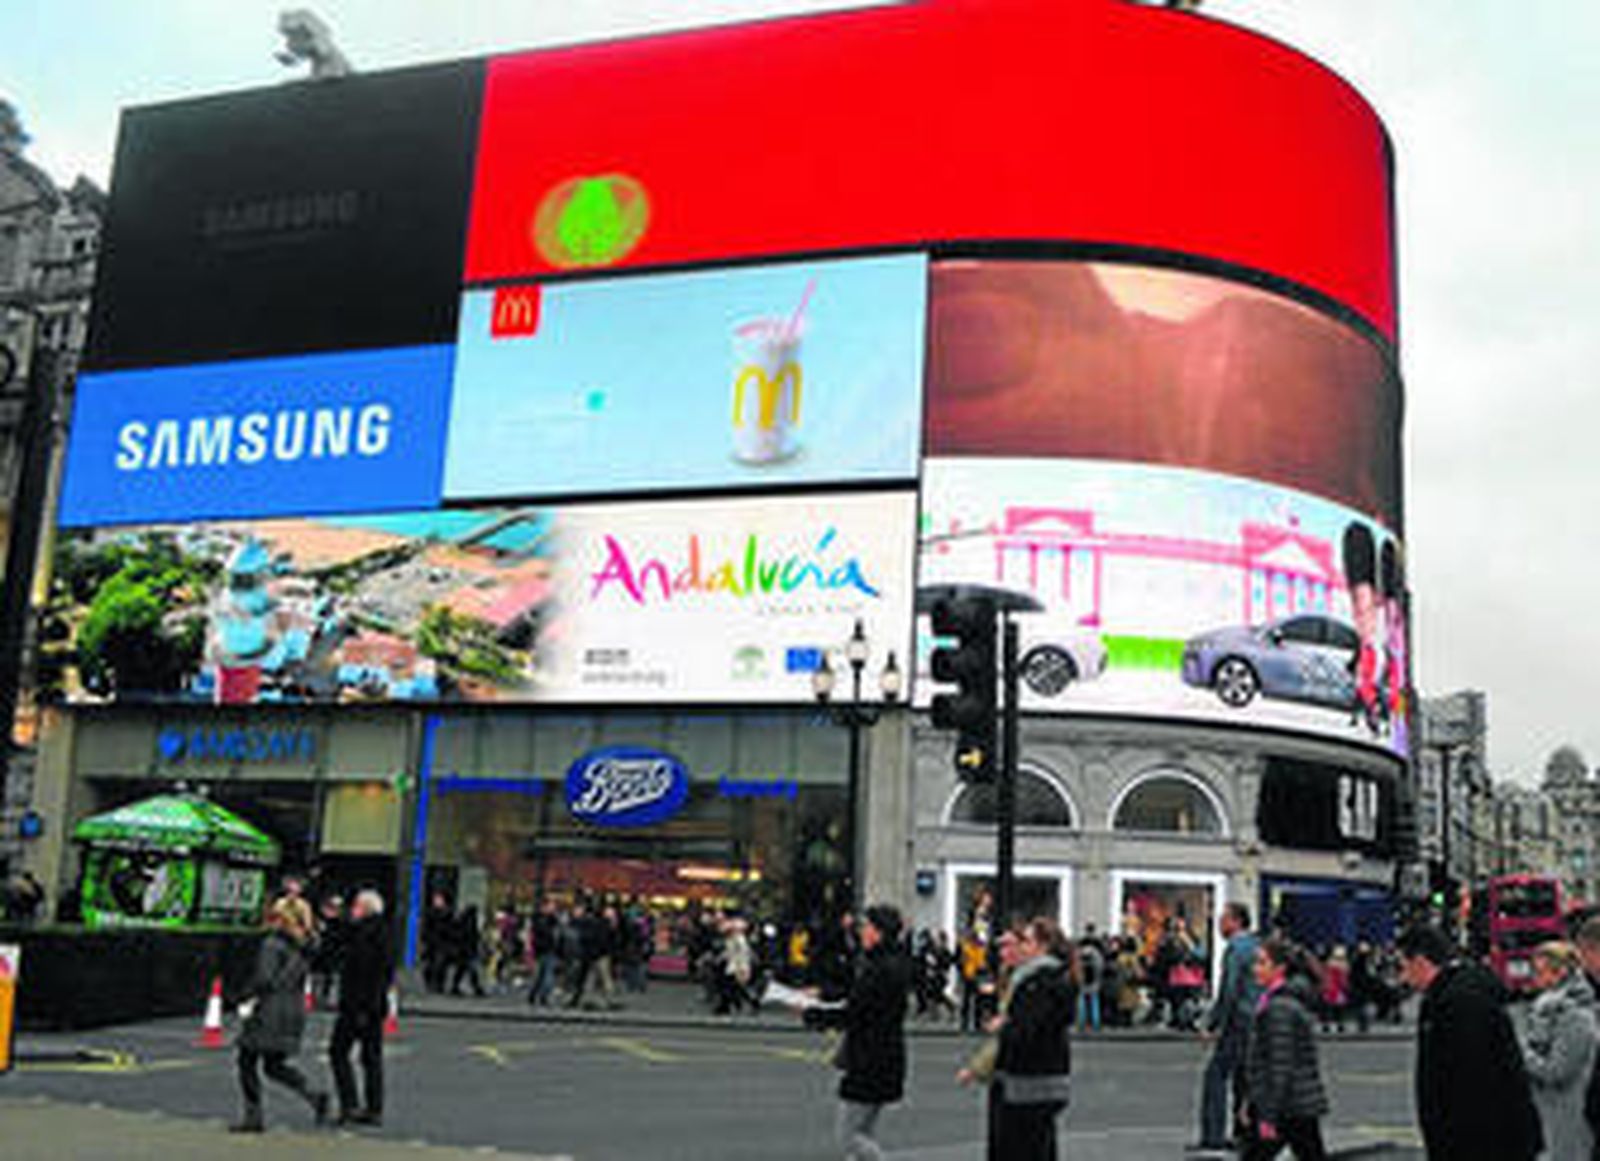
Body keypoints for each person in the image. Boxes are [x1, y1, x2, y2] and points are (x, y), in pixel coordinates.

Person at [1398, 924, 1542, 1161]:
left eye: (1403, 966)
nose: (1403, 977)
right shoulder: (1454, 993)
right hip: (1488, 1138)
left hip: (1479, 1143)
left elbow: (1473, 1085)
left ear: (1421, 961)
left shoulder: (1459, 1003)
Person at [806, 904, 912, 1160]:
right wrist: (823, 995)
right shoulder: (890, 963)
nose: (861, 932)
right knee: (864, 1131)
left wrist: (812, 1012)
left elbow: (855, 1012)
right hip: (883, 1058)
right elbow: (857, 999)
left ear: (879, 932)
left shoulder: (881, 969)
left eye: (866, 927)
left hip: (870, 1060)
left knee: (849, 1136)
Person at [231, 895, 329, 1133]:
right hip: (293, 1008)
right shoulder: (305, 945)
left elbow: (265, 978)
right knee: (274, 1064)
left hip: (269, 1008)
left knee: (247, 1060)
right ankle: (313, 1095)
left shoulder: (273, 943)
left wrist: (243, 995)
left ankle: (253, 1116)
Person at [990, 918, 1075, 1159]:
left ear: (1043, 946)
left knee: (1022, 1148)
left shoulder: (1039, 983)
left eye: (1026, 941)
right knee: (1039, 1146)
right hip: (1045, 1079)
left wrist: (1005, 1026)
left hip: (1030, 1081)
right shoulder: (1051, 978)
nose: (1021, 947)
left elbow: (1028, 1031)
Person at [1242, 938, 1328, 1160]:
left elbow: (1279, 1064)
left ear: (1279, 969)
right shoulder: (1279, 1001)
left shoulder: (1279, 1008)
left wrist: (1267, 1114)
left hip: (1287, 1106)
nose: (1255, 969)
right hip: (1295, 1104)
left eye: (1262, 963)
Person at [1193, 902, 1261, 1155]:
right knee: (1244, 1080)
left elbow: (1229, 990)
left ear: (1235, 921)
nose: (1219, 923)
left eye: (1223, 919)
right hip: (1255, 1020)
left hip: (1238, 1021)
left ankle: (1213, 1136)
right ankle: (1244, 1134)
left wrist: (1213, 1023)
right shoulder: (1255, 945)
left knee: (1216, 1076)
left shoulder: (1235, 948)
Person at [1520, 941, 1596, 1161]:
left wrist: (1522, 1054)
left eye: (1540, 971)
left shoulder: (1575, 1015)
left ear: (1561, 972)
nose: (1534, 977)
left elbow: (1557, 1071)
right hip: (1550, 1113)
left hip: (1570, 1116)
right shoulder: (1546, 1009)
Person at [329, 889, 393, 1128]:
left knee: (338, 1052)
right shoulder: (380, 931)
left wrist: (362, 1007)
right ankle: (374, 1108)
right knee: (371, 1057)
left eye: (356, 905)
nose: (352, 909)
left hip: (358, 1005)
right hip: (373, 1006)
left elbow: (365, 972)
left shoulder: (366, 934)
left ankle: (350, 1104)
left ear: (365, 908)